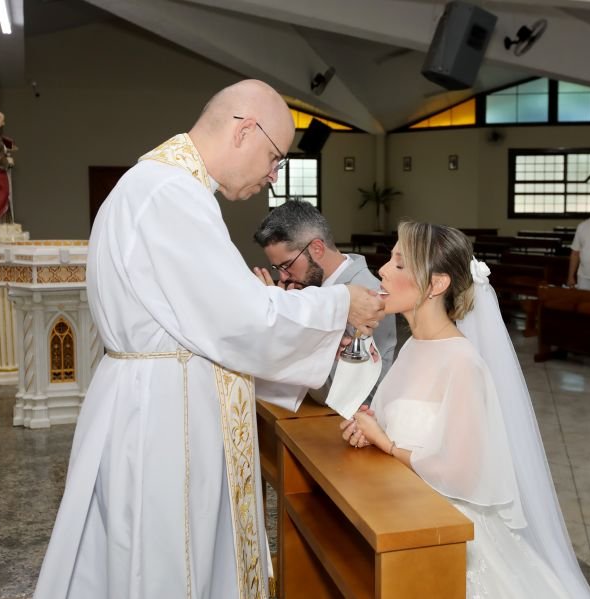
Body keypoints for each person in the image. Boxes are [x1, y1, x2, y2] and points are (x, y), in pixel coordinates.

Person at [33, 80, 385, 599]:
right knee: (166, 566)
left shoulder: (160, 185)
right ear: (245, 130)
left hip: (157, 400)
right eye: (275, 157)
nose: (273, 176)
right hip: (164, 420)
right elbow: (241, 321)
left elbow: (216, 311)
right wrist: (339, 305)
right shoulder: (171, 193)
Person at [342, 222, 590, 598]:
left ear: (436, 284)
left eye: (399, 263)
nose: (382, 270)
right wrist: (367, 428)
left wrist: (387, 445)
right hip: (401, 512)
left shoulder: (462, 362)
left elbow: (462, 473)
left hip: (446, 530)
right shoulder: (414, 346)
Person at [252, 199, 396, 401]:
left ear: (317, 248)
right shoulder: (309, 289)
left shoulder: (369, 297)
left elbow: (337, 392)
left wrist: (285, 321)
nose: (283, 277)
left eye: (287, 265)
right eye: (278, 268)